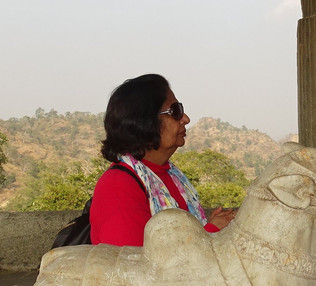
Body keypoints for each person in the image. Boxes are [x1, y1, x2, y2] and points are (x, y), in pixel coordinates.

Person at [90, 74, 237, 246]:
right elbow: (135, 263)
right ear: (144, 121)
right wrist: (211, 231)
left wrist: (207, 229)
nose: (186, 119)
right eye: (175, 111)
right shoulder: (119, 185)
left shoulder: (170, 174)